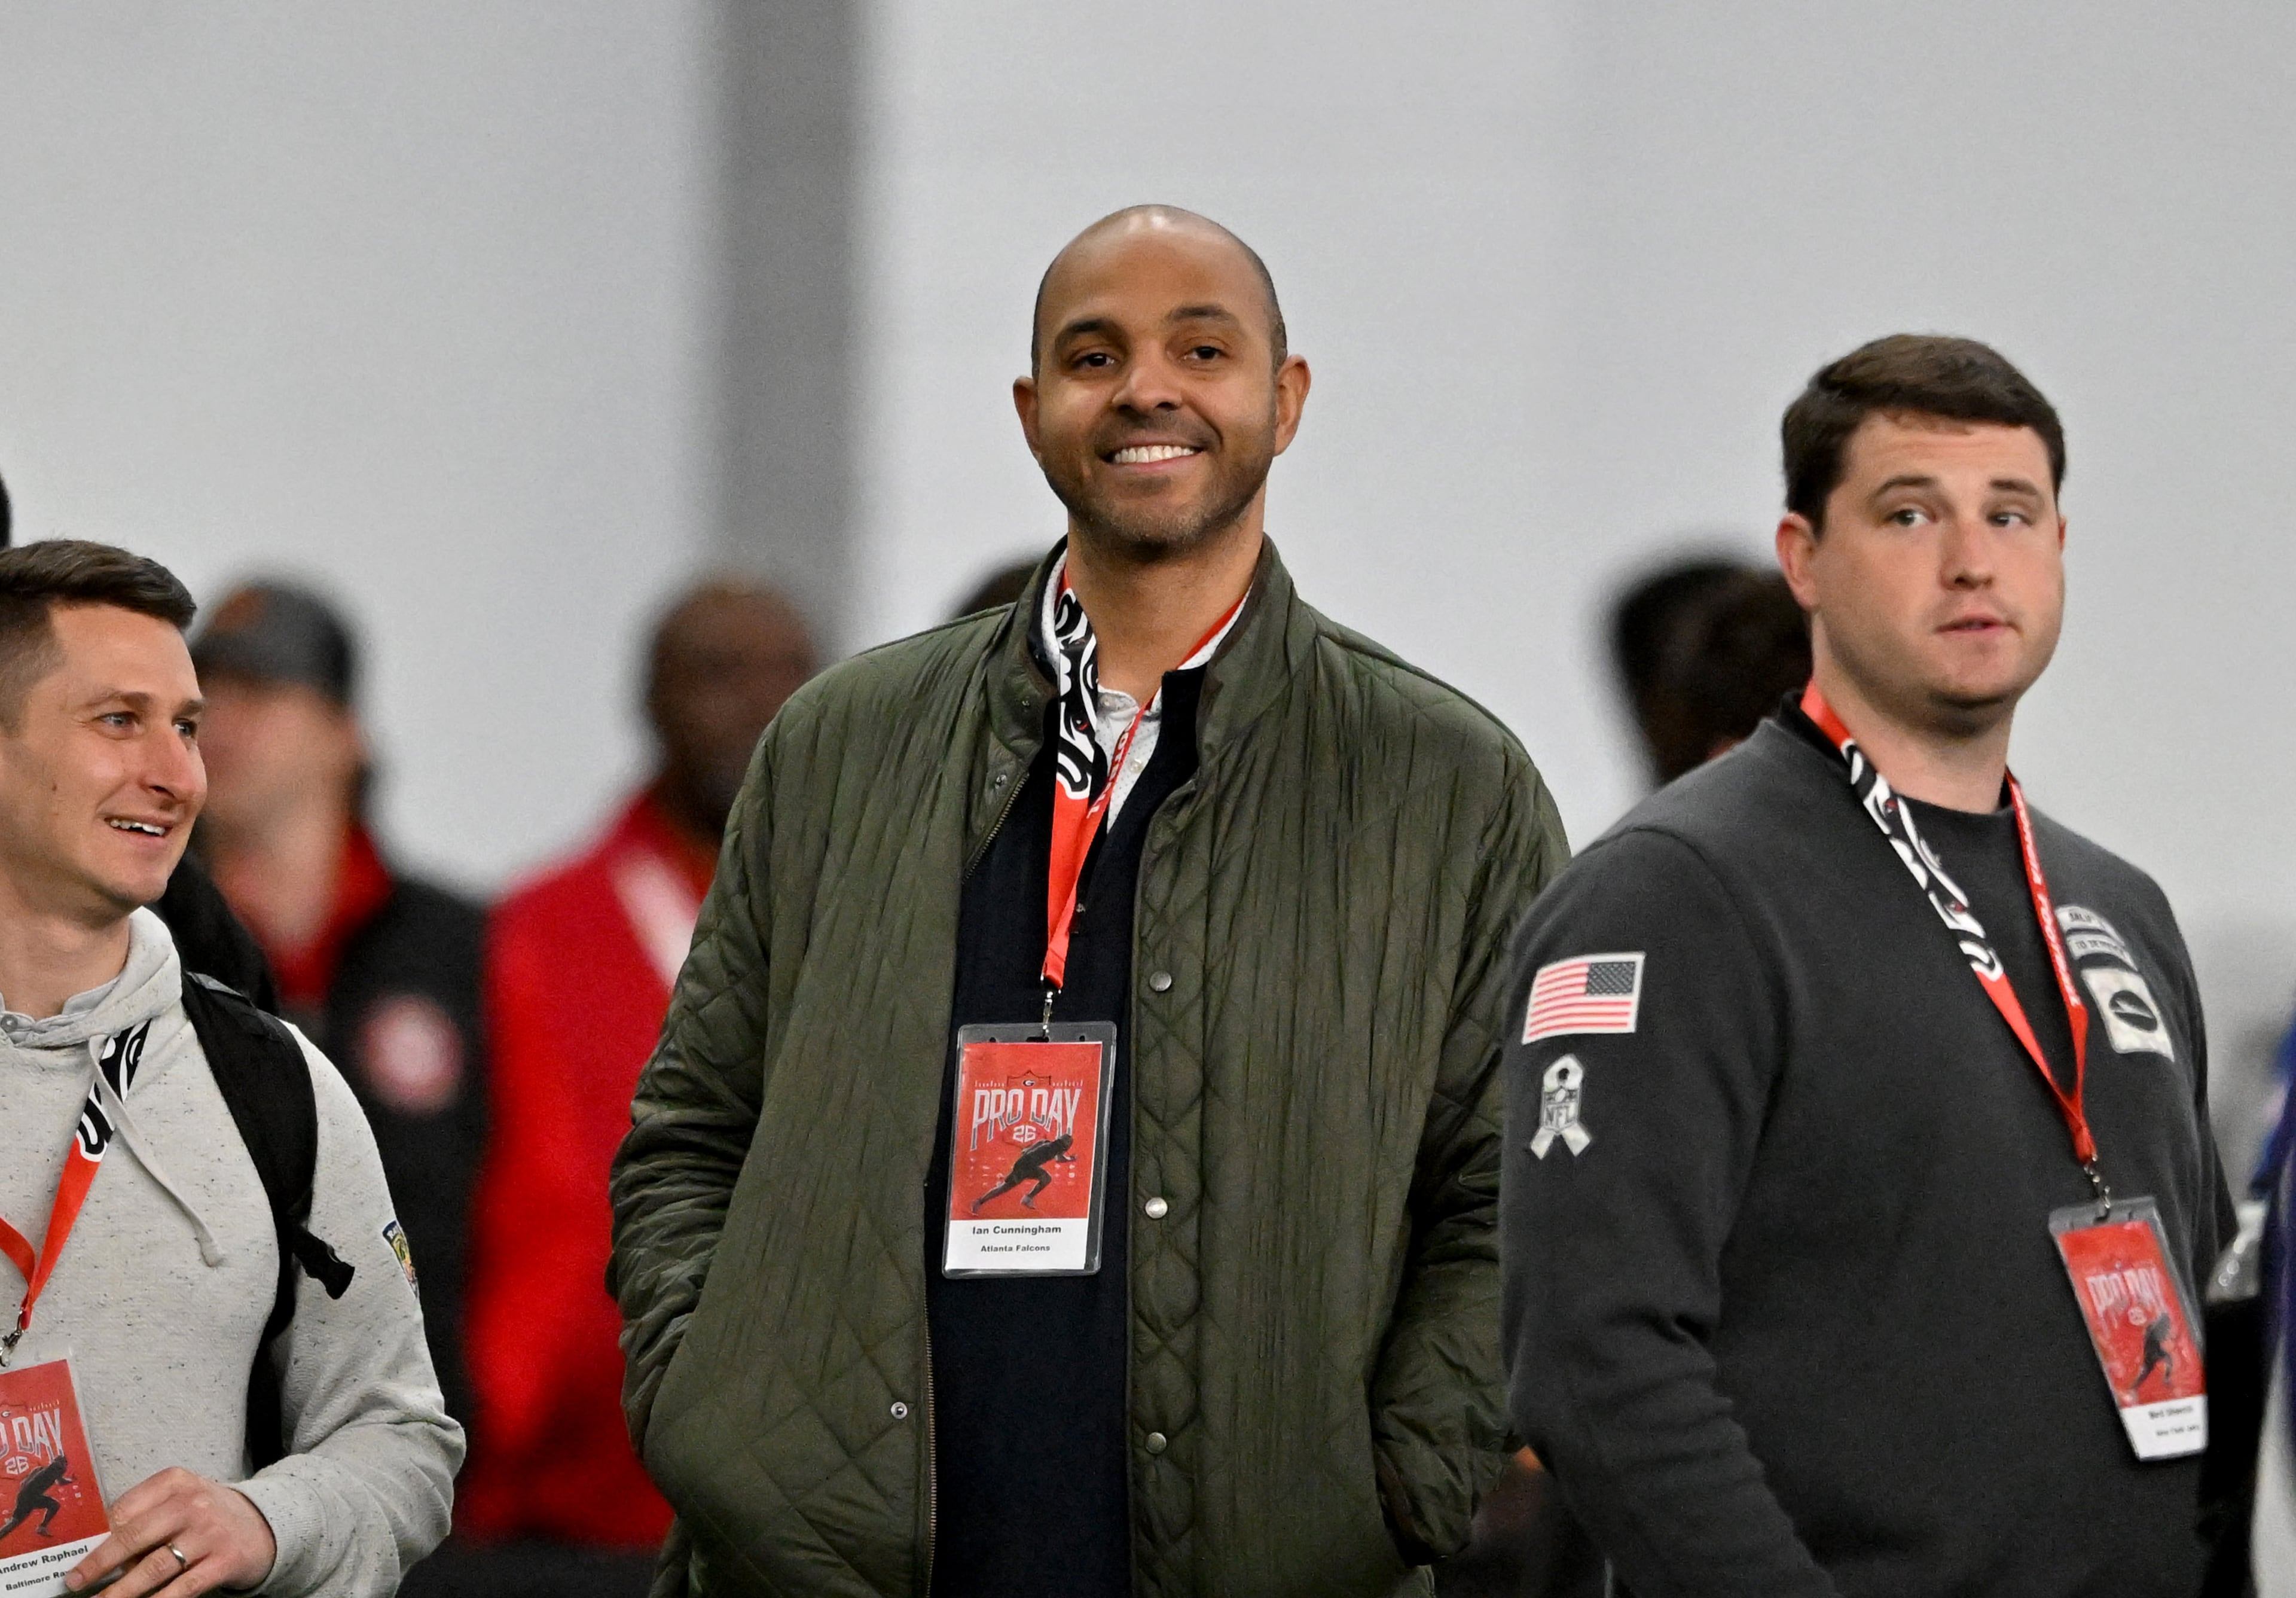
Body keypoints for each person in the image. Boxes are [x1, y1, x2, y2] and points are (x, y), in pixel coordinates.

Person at [609, 204, 1567, 1597]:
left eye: (1203, 348)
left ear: (1285, 400)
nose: (1148, 390)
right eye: (1094, 354)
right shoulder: (841, 742)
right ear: (1033, 409)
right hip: (829, 1569)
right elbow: (691, 1131)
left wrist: (1388, 1491)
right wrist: (715, 1415)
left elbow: (1512, 1196)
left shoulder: (1450, 783)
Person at [1502, 334, 2234, 1595]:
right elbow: (1595, 1359)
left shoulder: (2119, 907)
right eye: (1909, 513)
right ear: (1805, 562)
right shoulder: (1675, 892)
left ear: (2059, 548)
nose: (1971, 556)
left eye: (2013, 511)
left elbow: (2218, 1318)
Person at [0, 539, 457, 1595]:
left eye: (188, 728)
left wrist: (269, 1518)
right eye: (120, 721)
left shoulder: (273, 1084)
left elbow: (402, 1440)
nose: (177, 774)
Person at [459, 578, 814, 1557]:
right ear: (649, 702)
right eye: (719, 674)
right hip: (571, 1501)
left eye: (791, 675)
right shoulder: (537, 934)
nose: (760, 704)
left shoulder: (868, 926)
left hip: (809, 1499)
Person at [190, 582, 486, 1431]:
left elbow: (532, 1208)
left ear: (346, 734)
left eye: (262, 691)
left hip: (437, 1450)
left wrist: (495, 1415)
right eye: (206, 700)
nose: (223, 725)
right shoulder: (149, 948)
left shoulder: (458, 949)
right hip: (213, 1450)